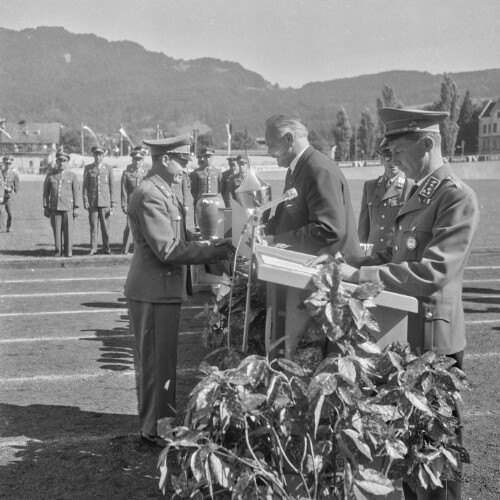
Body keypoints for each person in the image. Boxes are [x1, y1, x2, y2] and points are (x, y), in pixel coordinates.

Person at [323, 107, 480, 500]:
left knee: (434, 456)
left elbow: (431, 271)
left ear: (426, 144)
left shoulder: (455, 197)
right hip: (401, 338)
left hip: (431, 341)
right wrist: (347, 263)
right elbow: (393, 256)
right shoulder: (418, 192)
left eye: (396, 150)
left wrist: (361, 277)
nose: (390, 160)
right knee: (408, 451)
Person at [124, 134, 233, 448]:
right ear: (165, 159)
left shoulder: (163, 191)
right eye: (183, 161)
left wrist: (214, 244)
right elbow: (168, 249)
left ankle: (160, 425)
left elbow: (182, 237)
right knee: (157, 364)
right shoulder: (149, 194)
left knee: (162, 362)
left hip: (162, 289)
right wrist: (214, 253)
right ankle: (157, 430)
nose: (189, 167)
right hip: (154, 291)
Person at [263, 114, 361, 257]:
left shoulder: (318, 169)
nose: (269, 153)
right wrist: (262, 234)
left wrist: (277, 240)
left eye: (271, 145)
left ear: (289, 139)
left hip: (332, 270)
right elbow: (285, 216)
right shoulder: (297, 168)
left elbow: (328, 229)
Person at [358, 146, 414, 253]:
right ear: (381, 160)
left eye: (395, 157)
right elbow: (363, 226)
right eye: (387, 157)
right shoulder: (370, 186)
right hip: (372, 253)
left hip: (396, 254)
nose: (391, 162)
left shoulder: (410, 186)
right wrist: (362, 252)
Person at [42, 151, 80, 257]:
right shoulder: (51, 175)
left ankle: (68, 252)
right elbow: (46, 192)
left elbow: (76, 192)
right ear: (56, 161)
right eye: (60, 160)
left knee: (68, 231)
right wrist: (46, 206)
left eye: (64, 161)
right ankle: (58, 251)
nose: (62, 163)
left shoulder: (72, 176)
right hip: (54, 207)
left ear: (67, 162)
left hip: (68, 208)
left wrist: (76, 207)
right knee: (57, 231)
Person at [82, 146, 117, 255]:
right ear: (93, 155)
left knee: (106, 227)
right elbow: (85, 186)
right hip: (93, 202)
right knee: (93, 226)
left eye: (100, 154)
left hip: (105, 202)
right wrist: (85, 200)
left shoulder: (108, 168)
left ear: (103, 156)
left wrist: (113, 202)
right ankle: (93, 248)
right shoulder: (88, 168)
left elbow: (112, 186)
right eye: (96, 154)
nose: (98, 157)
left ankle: (106, 248)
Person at [121, 149, 147, 254]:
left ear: (142, 161)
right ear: (132, 160)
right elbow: (123, 190)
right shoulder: (127, 173)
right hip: (131, 203)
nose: (137, 162)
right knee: (129, 226)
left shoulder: (146, 173)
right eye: (135, 160)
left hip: (144, 203)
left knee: (144, 226)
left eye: (139, 160)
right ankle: (125, 249)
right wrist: (124, 205)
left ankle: (142, 248)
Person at [190, 147, 221, 215]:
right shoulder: (197, 172)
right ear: (203, 158)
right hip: (202, 202)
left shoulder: (218, 172)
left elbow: (220, 190)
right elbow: (194, 191)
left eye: (209, 157)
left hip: (214, 203)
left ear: (213, 157)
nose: (207, 159)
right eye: (206, 157)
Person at [0, 155, 20, 233]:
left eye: (9, 163)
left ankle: (9, 227)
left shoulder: (14, 174)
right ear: (4, 163)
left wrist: (12, 192)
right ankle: (1, 228)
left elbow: (16, 187)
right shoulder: (1, 172)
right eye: (6, 163)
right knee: (1, 212)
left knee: (10, 213)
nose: (8, 165)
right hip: (1, 194)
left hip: (9, 196)